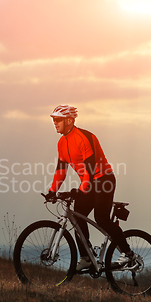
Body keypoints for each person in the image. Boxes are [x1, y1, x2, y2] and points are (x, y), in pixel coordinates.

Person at [45, 104, 134, 271]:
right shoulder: (62, 143)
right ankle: (86, 257)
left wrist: (82, 189)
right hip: (89, 181)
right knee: (78, 218)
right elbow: (60, 171)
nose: (54, 123)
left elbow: (90, 169)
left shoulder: (85, 137)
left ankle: (128, 253)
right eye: (53, 120)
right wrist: (52, 191)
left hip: (103, 179)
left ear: (70, 120)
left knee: (101, 218)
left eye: (58, 120)